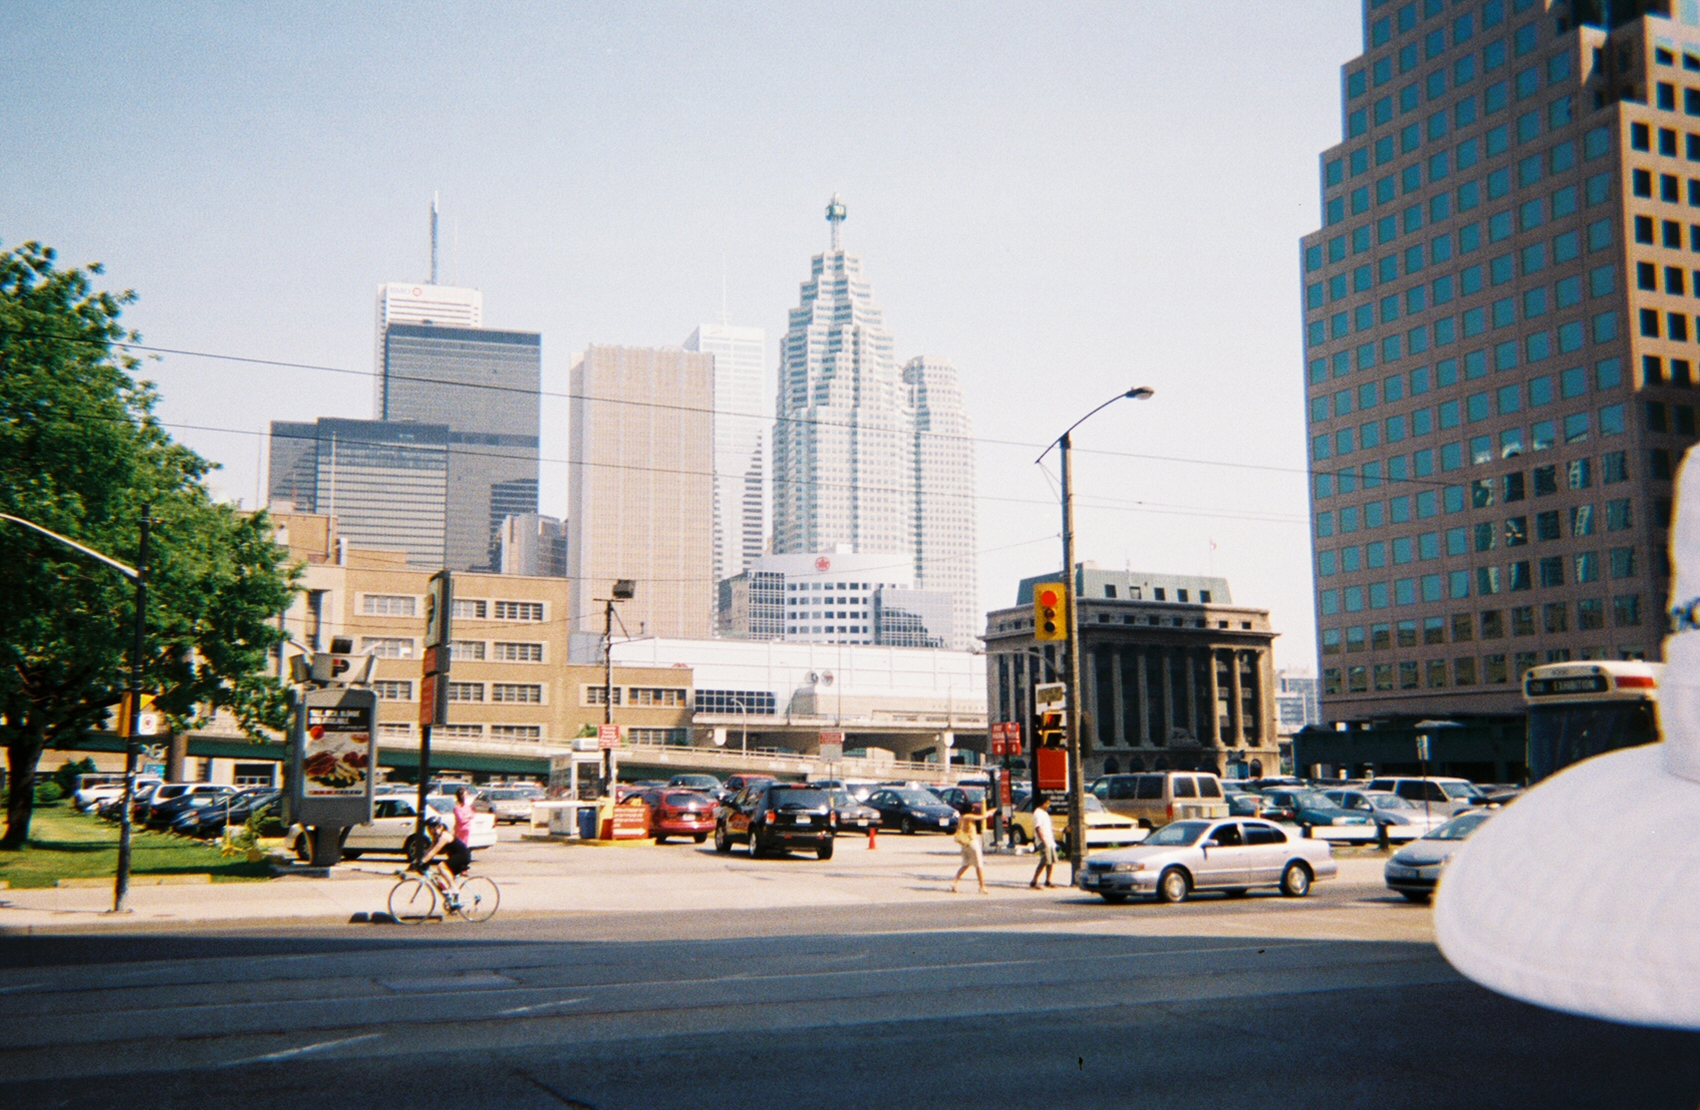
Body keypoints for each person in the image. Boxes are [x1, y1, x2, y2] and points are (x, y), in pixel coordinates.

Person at [418, 809, 471, 894]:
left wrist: (422, 862)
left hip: (463, 855)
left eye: (429, 828)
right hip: (455, 855)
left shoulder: (444, 836)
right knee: (443, 874)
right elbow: (430, 850)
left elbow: (434, 851)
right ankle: (452, 898)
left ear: (436, 827)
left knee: (441, 866)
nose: (428, 831)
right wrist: (421, 859)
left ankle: (453, 888)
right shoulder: (436, 837)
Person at [949, 802, 992, 894]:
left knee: (966, 864)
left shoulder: (961, 817)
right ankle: (982, 886)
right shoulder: (968, 816)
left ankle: (954, 882)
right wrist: (989, 812)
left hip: (964, 843)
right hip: (972, 843)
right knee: (979, 865)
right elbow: (982, 817)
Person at [1030, 791, 1058, 889]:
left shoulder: (1045, 813)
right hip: (1043, 841)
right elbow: (1038, 828)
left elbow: (1048, 827)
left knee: (1051, 861)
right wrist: (1043, 841)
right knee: (1044, 861)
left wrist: (1060, 830)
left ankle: (1048, 880)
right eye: (1048, 803)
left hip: (1050, 841)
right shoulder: (1037, 813)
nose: (1049, 805)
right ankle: (1034, 881)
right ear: (1043, 803)